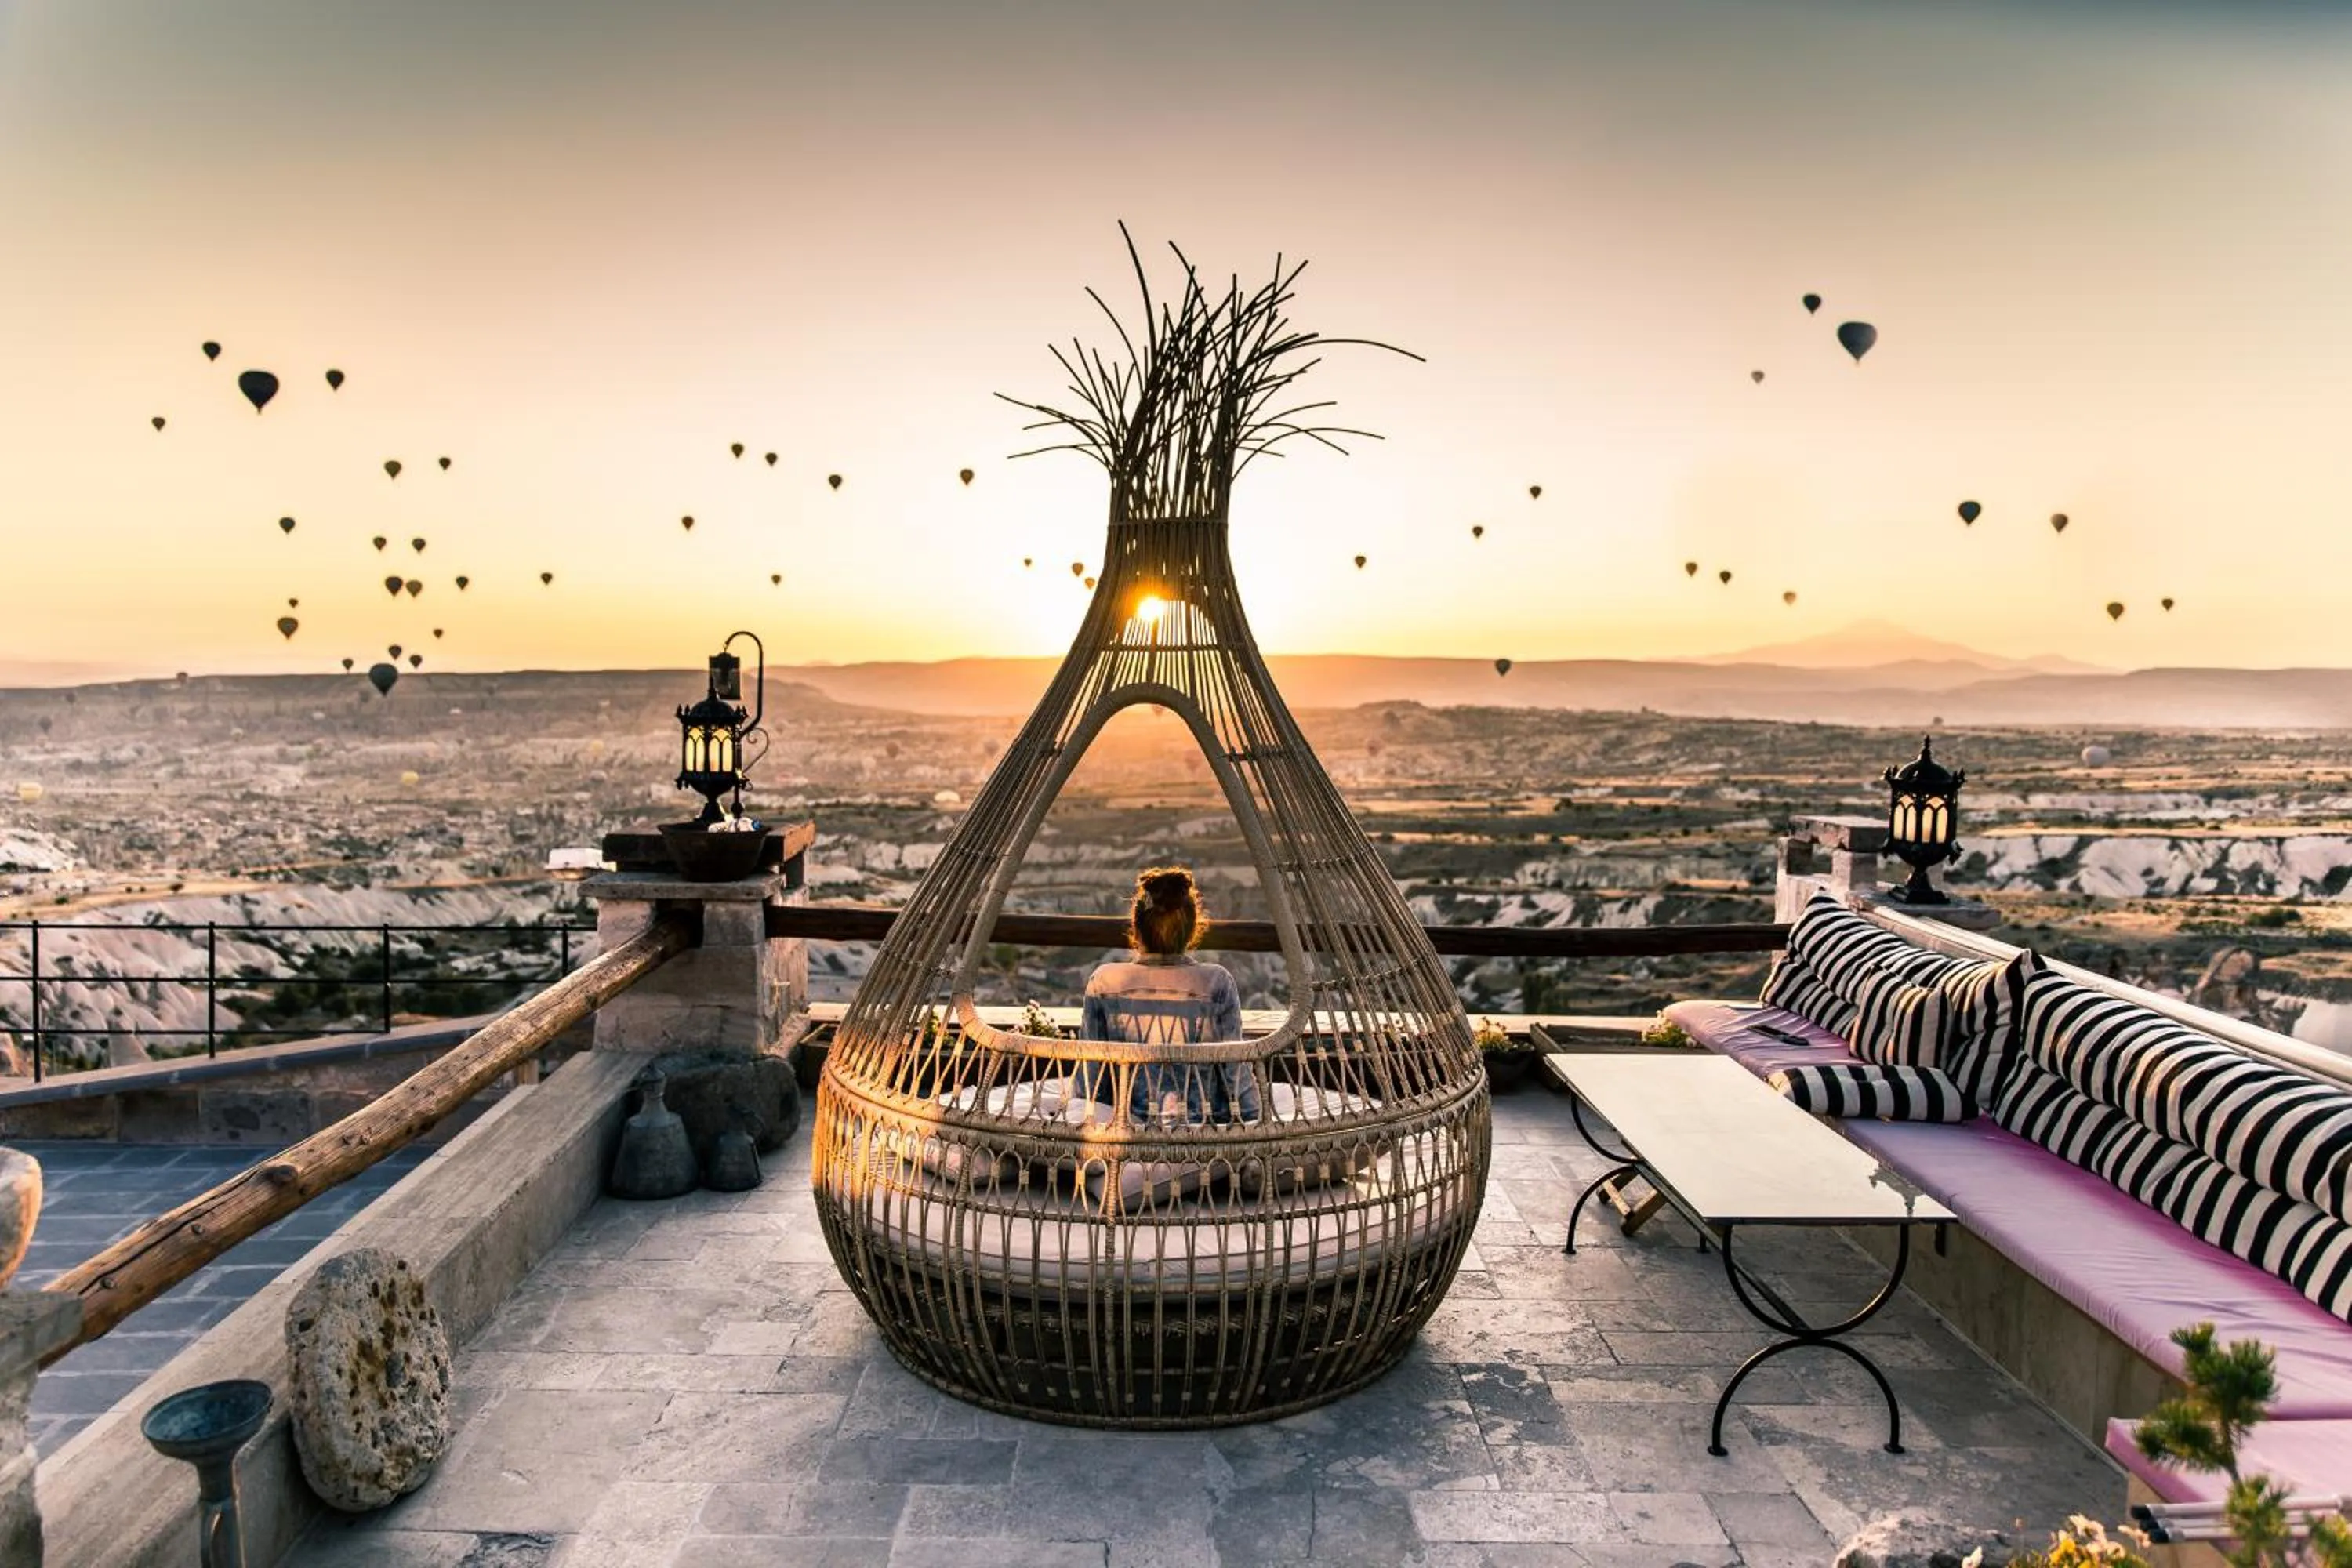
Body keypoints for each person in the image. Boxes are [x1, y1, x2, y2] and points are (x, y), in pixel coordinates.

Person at [1078, 866, 1261, 1125]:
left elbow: (1091, 1077)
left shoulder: (1105, 981)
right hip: (1203, 1128)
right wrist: (1256, 1118)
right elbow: (1234, 1069)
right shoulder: (1216, 981)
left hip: (1128, 1126)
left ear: (1136, 929)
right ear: (1191, 931)